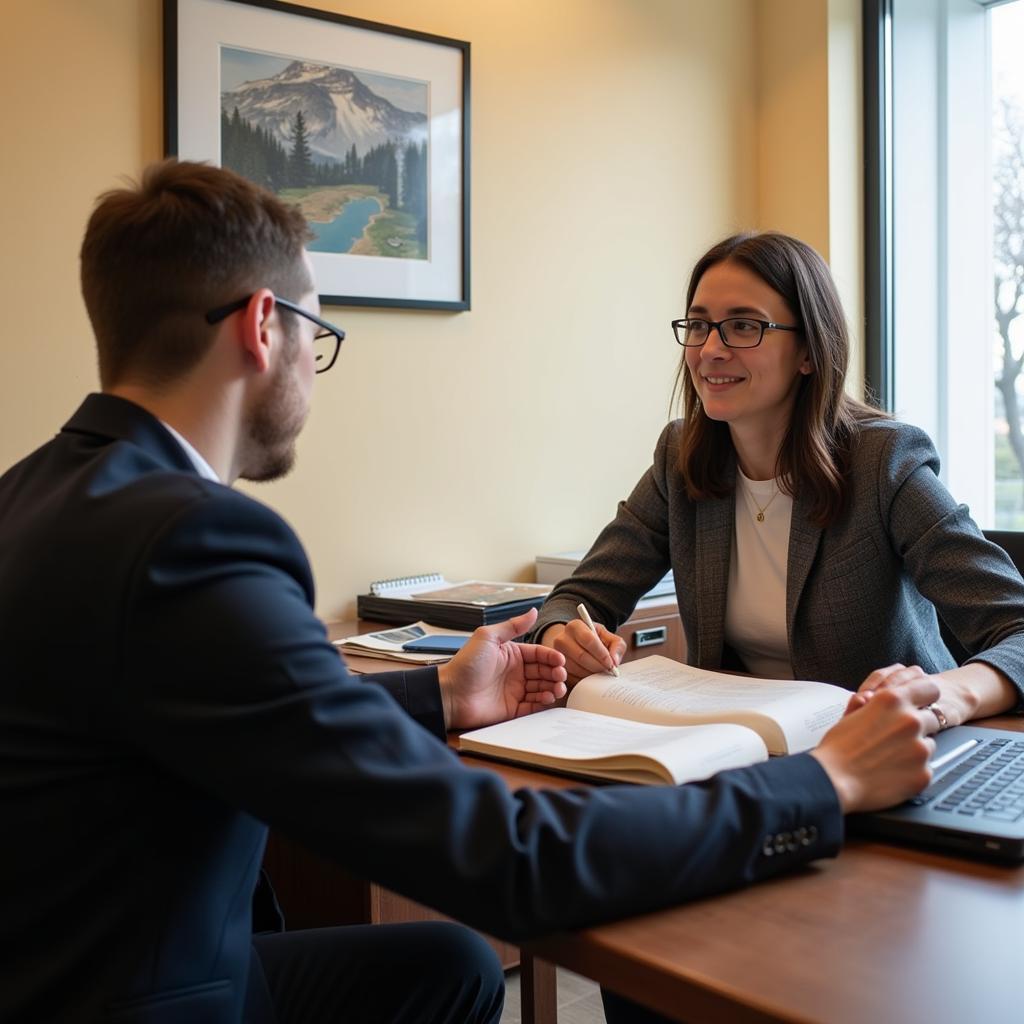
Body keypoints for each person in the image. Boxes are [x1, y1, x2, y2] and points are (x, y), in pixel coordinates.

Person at [0, 166, 940, 1024]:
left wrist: (439, 695)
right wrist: (824, 782)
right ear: (261, 327)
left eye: (740, 326)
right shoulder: (196, 540)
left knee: (447, 965)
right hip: (147, 995)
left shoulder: (35, 494)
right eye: (316, 336)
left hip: (65, 967)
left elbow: (243, 709)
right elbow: (508, 858)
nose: (711, 349)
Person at [533, 230, 1024, 735]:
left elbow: (1019, 630)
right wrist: (561, 634)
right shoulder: (680, 458)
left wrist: (952, 693)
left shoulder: (884, 462)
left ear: (809, 352)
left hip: (885, 749)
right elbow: (577, 598)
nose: (711, 350)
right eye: (699, 326)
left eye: (743, 326)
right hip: (736, 751)